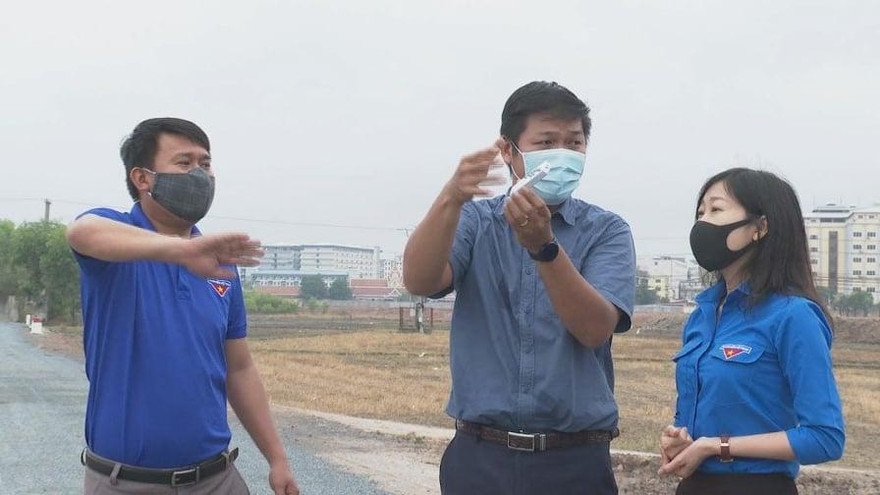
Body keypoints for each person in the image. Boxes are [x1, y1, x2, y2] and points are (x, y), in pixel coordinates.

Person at [403, 81, 636, 495]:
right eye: (547, 141)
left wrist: (545, 249)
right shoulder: (476, 222)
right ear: (510, 151)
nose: (564, 153)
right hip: (480, 456)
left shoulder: (607, 231)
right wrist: (451, 198)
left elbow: (594, 329)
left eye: (575, 143)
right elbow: (420, 280)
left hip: (575, 460)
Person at [66, 118, 300, 494]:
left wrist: (277, 458)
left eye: (205, 165)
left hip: (217, 479)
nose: (199, 175)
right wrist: (182, 251)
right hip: (125, 482)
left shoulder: (221, 266)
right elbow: (81, 232)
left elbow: (239, 368)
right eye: (184, 163)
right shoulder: (117, 238)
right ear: (143, 178)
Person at [658, 168, 845, 494]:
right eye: (700, 212)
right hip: (694, 486)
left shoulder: (793, 315)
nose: (702, 223)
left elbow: (825, 437)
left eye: (716, 210)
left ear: (759, 227)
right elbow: (693, 417)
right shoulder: (702, 314)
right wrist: (681, 440)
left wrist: (719, 446)